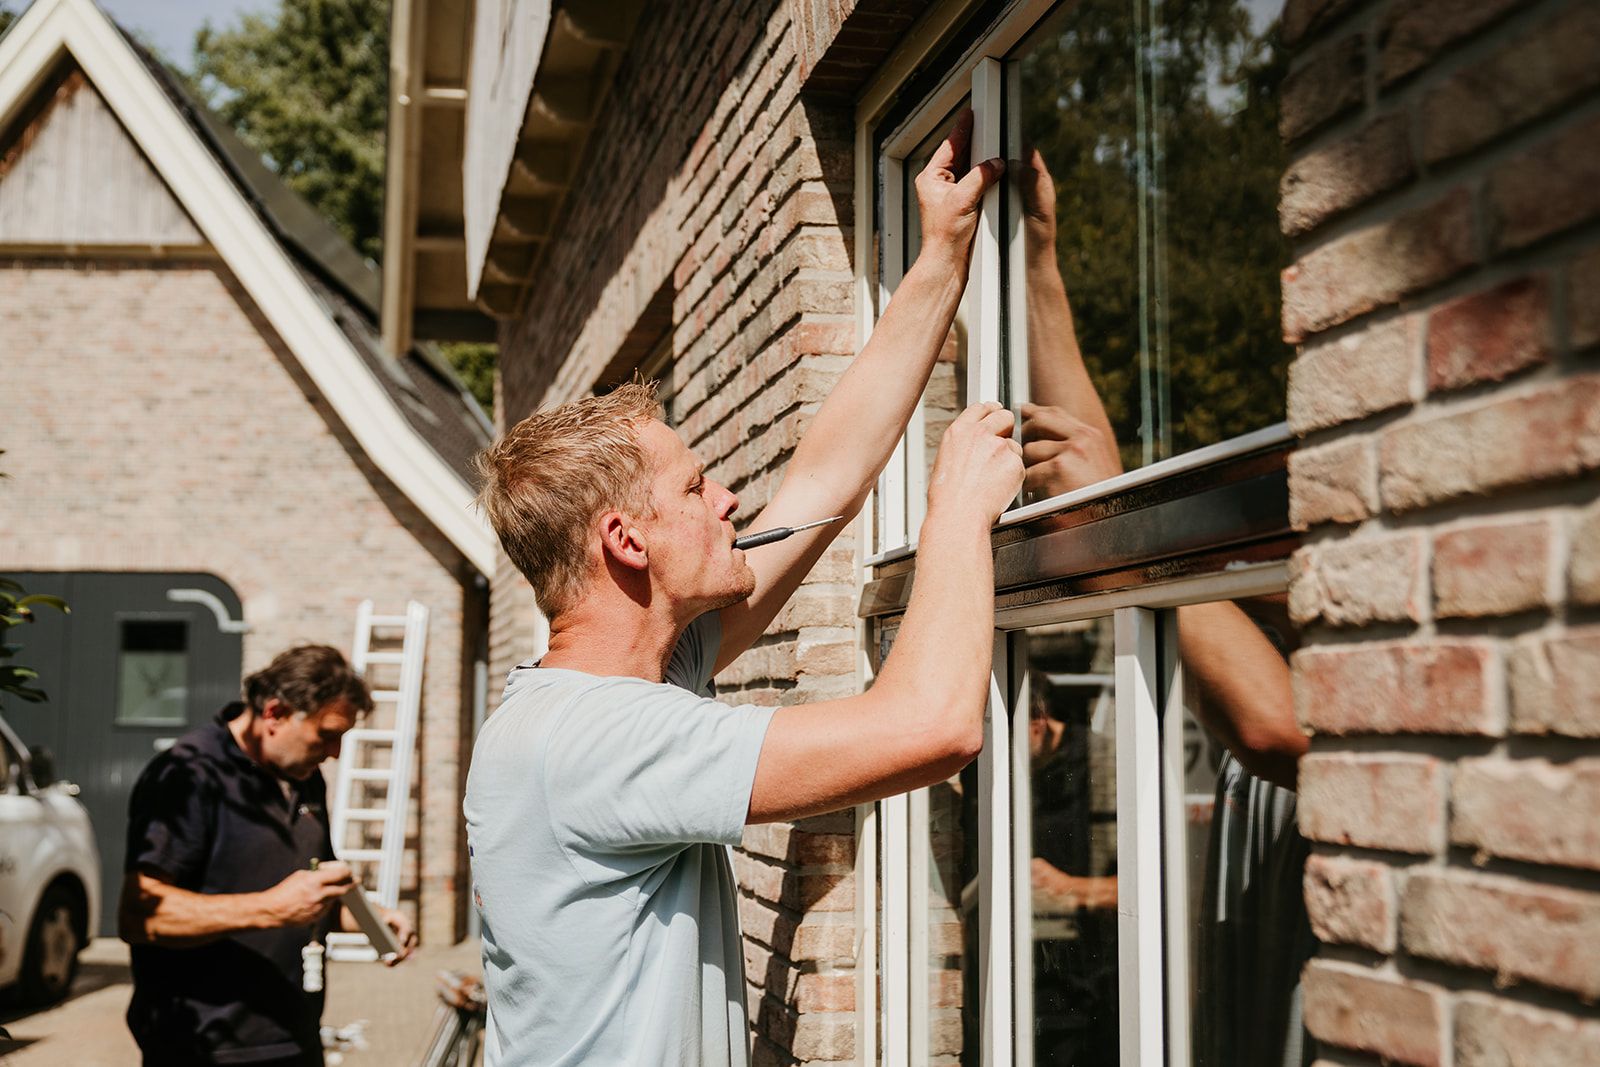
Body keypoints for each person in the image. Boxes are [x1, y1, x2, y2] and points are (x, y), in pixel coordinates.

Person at [465, 111, 1016, 1066]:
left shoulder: (639, 677)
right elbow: (933, 727)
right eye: (693, 486)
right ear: (626, 541)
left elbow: (822, 487)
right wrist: (957, 513)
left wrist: (940, 255)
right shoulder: (599, 741)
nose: (729, 497)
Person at [119, 644, 418, 1067]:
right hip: (204, 1047)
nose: (334, 752)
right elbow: (140, 915)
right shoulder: (189, 775)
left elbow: (311, 899)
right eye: (326, 734)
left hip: (294, 1037)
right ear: (275, 714)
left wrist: (370, 917)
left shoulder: (305, 778)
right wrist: (270, 909)